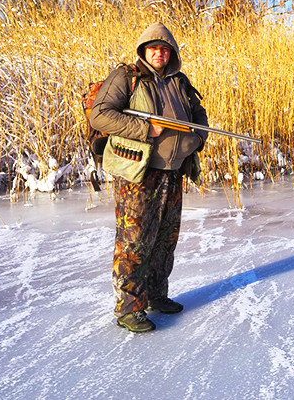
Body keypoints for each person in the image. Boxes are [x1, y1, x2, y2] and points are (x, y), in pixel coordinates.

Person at [89, 22, 208, 333]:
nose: (160, 53)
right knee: (135, 242)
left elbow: (199, 115)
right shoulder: (127, 77)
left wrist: (195, 139)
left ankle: (156, 295)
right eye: (154, 48)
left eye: (165, 48)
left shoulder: (179, 81)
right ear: (143, 50)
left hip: (174, 171)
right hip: (138, 173)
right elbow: (100, 114)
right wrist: (145, 129)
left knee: (165, 239)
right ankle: (129, 309)